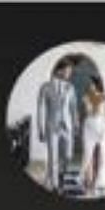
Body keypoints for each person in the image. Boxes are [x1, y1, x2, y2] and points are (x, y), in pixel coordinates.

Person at [34, 56, 80, 195]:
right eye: (68, 70)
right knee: (52, 157)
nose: (70, 73)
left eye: (70, 71)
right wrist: (40, 129)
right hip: (51, 126)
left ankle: (61, 175)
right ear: (59, 71)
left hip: (67, 126)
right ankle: (55, 186)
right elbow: (40, 109)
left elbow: (73, 108)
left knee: (68, 155)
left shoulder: (70, 87)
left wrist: (76, 124)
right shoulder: (45, 87)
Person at [78, 79, 105, 197]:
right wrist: (79, 129)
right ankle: (88, 180)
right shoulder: (85, 98)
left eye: (92, 84)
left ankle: (100, 182)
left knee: (102, 155)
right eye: (88, 85)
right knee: (88, 154)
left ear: (97, 85)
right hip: (88, 127)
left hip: (103, 127)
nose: (90, 86)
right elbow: (82, 115)